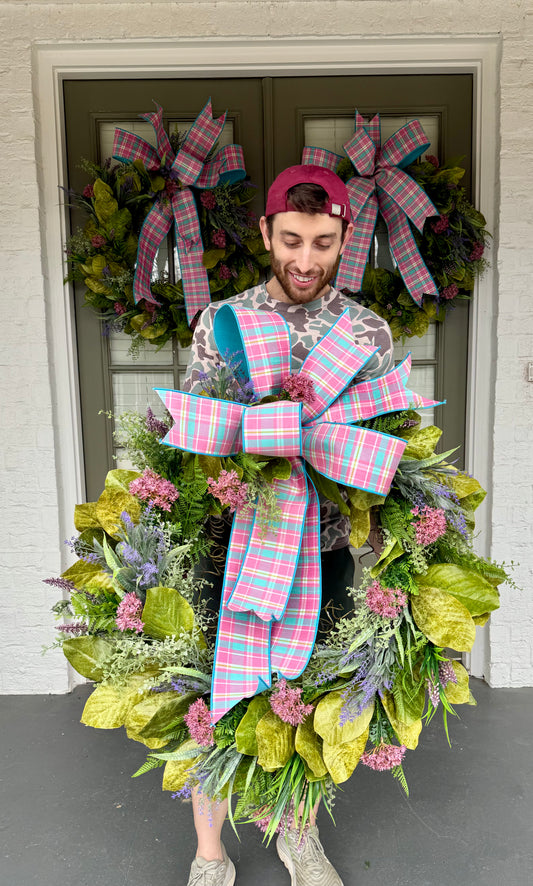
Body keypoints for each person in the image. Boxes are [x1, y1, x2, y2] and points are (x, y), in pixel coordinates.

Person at [182, 164, 395, 886]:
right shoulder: (223, 322)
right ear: (266, 232)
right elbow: (192, 438)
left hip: (328, 547)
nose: (306, 260)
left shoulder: (365, 330)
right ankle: (209, 852)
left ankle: (295, 836)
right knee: (209, 694)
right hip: (235, 544)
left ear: (345, 241)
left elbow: (386, 443)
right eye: (294, 239)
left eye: (325, 243)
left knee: (309, 694)